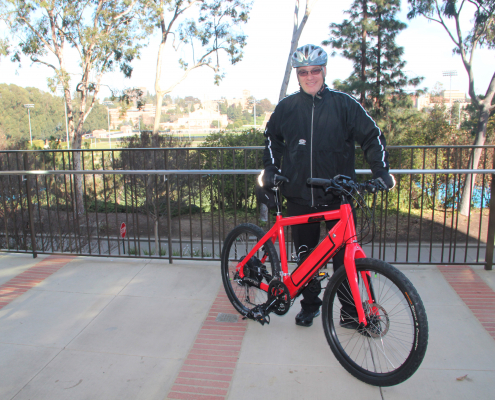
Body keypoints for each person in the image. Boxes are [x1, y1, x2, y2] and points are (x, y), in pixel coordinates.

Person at [260, 44, 395, 328]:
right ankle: (310, 306)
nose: (310, 76)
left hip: (338, 197)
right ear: (298, 74)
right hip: (298, 196)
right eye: (304, 72)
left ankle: (349, 313)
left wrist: (381, 172)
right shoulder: (287, 107)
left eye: (315, 70)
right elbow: (272, 138)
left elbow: (372, 137)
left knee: (344, 261)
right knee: (307, 258)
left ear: (324, 71)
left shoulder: (344, 104)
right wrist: (271, 169)